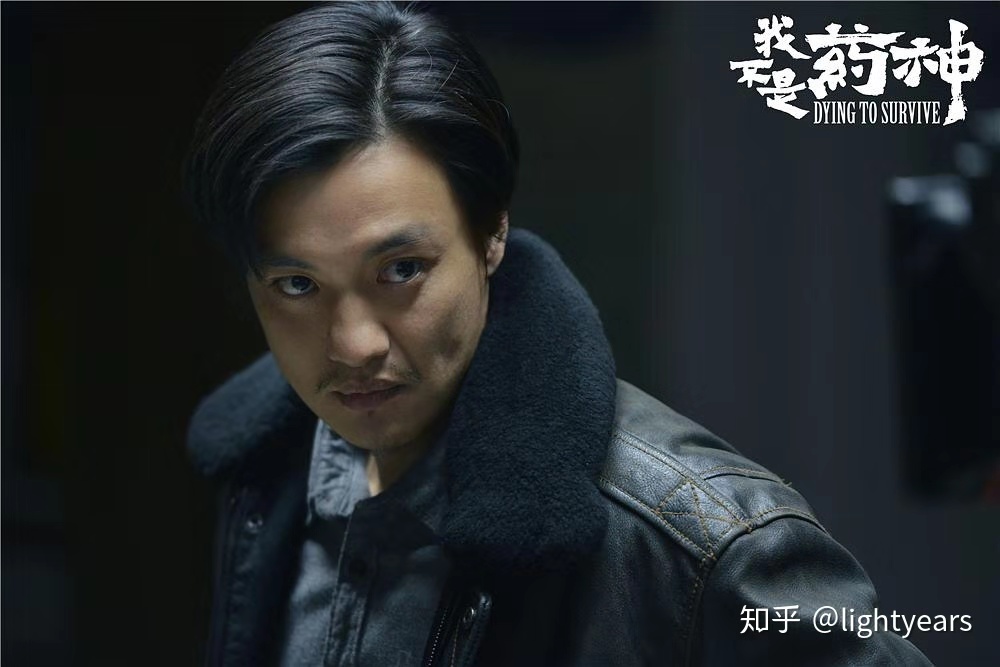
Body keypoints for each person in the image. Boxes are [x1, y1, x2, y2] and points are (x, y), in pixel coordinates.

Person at [184, 3, 933, 665]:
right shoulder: (269, 475)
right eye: (298, 285)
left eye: (402, 269)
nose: (354, 345)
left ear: (492, 234)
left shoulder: (703, 543)